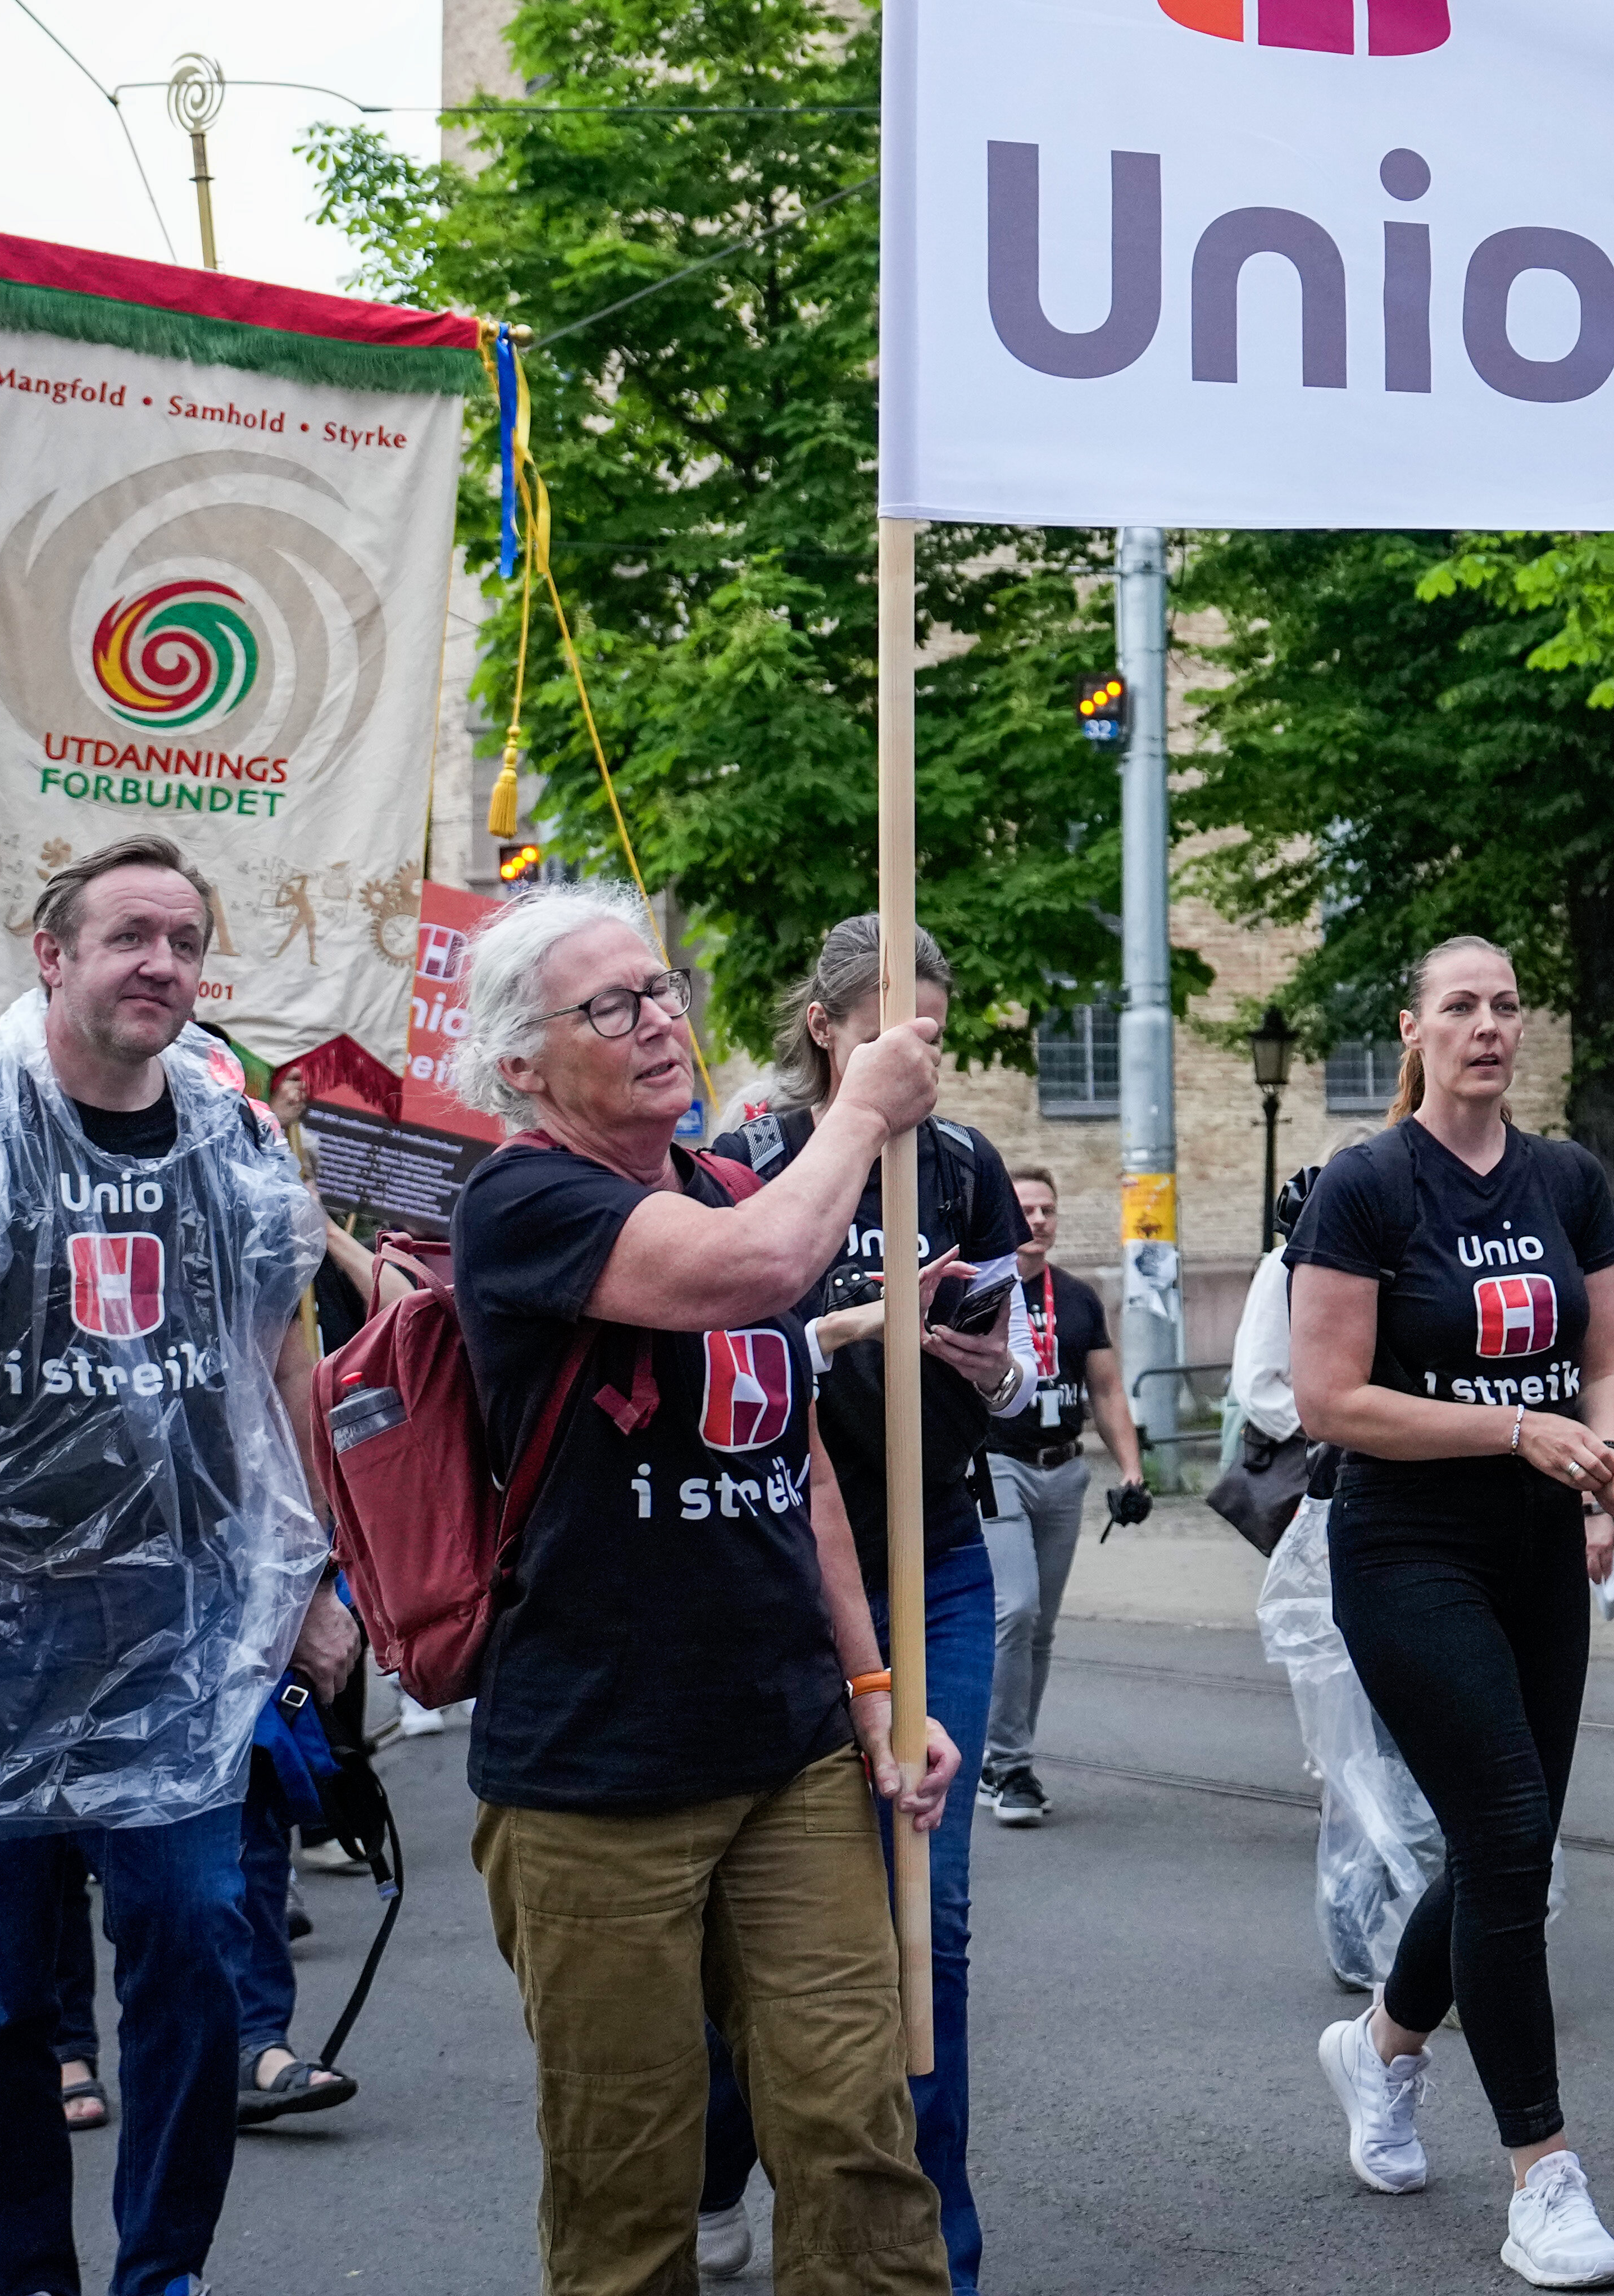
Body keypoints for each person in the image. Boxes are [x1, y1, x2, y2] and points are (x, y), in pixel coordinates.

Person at [0, 836, 349, 2296]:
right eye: (127, 937)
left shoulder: (232, 1146)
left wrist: (318, 1577)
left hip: (173, 1642)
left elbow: (281, 1359)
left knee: (189, 1964)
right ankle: (25, 2274)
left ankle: (160, 2275)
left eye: (183, 940)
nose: (159, 964)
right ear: (53, 955)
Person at [446, 880, 956, 2296]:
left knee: (856, 2134)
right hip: (594, 1776)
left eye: (661, 987)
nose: (659, 1016)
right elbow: (763, 1268)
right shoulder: (524, 1200)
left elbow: (803, 1477)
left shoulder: (730, 1178)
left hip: (784, 1749)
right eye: (611, 1003)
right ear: (523, 1063)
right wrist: (864, 1103)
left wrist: (872, 1691)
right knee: (631, 2179)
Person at [1291, 935, 1614, 2290]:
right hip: (1405, 1543)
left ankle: (1383, 2048)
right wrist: (1518, 1427)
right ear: (1415, 1024)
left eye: (1508, 1001)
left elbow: (1608, 1363)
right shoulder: (1364, 1182)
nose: (1489, 1023)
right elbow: (1328, 1398)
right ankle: (1544, 2174)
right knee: (1510, 1832)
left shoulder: (1567, 1176)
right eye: (1461, 1003)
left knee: (1502, 1842)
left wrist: (1604, 1473)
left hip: (1537, 1543)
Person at [696, 914, 1032, 2296]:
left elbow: (1021, 1382)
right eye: (899, 1024)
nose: (924, 1051)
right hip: (776, 1580)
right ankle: (721, 2156)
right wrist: (847, 1325)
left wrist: (988, 1361)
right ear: (828, 1026)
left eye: (941, 1029)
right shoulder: (749, 1160)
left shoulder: (961, 1166)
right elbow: (721, 1342)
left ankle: (932, 2237)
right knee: (757, 1914)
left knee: (923, 1905)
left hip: (936, 1561)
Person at [981, 1186, 1147, 1833]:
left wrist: (1131, 1470)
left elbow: (1106, 1389)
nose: (1039, 1220)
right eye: (1024, 1208)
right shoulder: (982, 1290)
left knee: (1040, 1627)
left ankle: (1008, 1756)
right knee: (1014, 1610)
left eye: (1049, 1209)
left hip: (1063, 1472)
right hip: (998, 1466)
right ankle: (1006, 1763)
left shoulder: (1076, 1298)